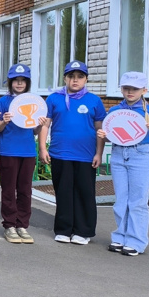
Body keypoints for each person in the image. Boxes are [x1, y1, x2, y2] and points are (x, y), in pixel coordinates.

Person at [97, 72, 149, 256]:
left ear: (144, 89)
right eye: (126, 88)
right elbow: (114, 135)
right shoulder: (115, 111)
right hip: (119, 154)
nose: (130, 91)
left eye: (134, 88)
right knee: (121, 200)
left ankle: (136, 241)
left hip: (141, 154)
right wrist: (105, 136)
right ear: (121, 89)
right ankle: (120, 236)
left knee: (138, 201)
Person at [38, 61, 105, 246]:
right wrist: (42, 148)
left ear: (86, 79)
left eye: (80, 77)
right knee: (63, 192)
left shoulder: (94, 100)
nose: (75, 80)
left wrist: (99, 153)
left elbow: (101, 129)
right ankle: (63, 229)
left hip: (85, 155)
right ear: (65, 78)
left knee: (84, 193)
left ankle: (83, 231)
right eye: (71, 76)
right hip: (60, 154)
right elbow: (45, 124)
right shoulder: (53, 98)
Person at [0, 64, 38, 244]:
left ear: (27, 83)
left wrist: (40, 123)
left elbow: (34, 131)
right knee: (9, 190)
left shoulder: (34, 101)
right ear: (10, 82)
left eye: (23, 81)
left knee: (25, 190)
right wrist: (3, 121)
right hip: (9, 150)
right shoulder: (3, 102)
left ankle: (22, 225)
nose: (19, 84)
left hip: (28, 151)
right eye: (16, 80)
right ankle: (9, 225)